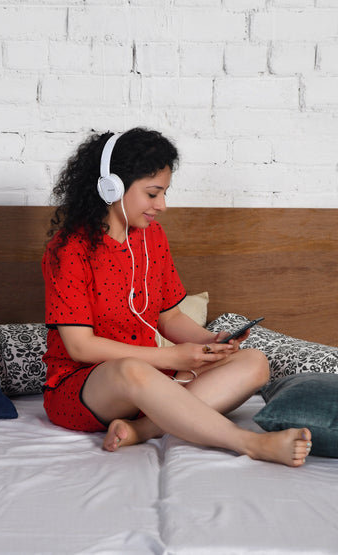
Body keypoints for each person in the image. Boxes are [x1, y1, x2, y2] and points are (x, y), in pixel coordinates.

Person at [42, 127, 311, 467]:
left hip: (152, 379)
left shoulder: (152, 237)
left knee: (254, 363)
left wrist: (209, 343)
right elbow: (80, 347)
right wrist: (172, 358)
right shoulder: (69, 249)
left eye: (164, 193)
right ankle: (251, 443)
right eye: (153, 194)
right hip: (87, 388)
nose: (162, 206)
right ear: (112, 187)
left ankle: (141, 429)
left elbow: (168, 317)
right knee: (132, 370)